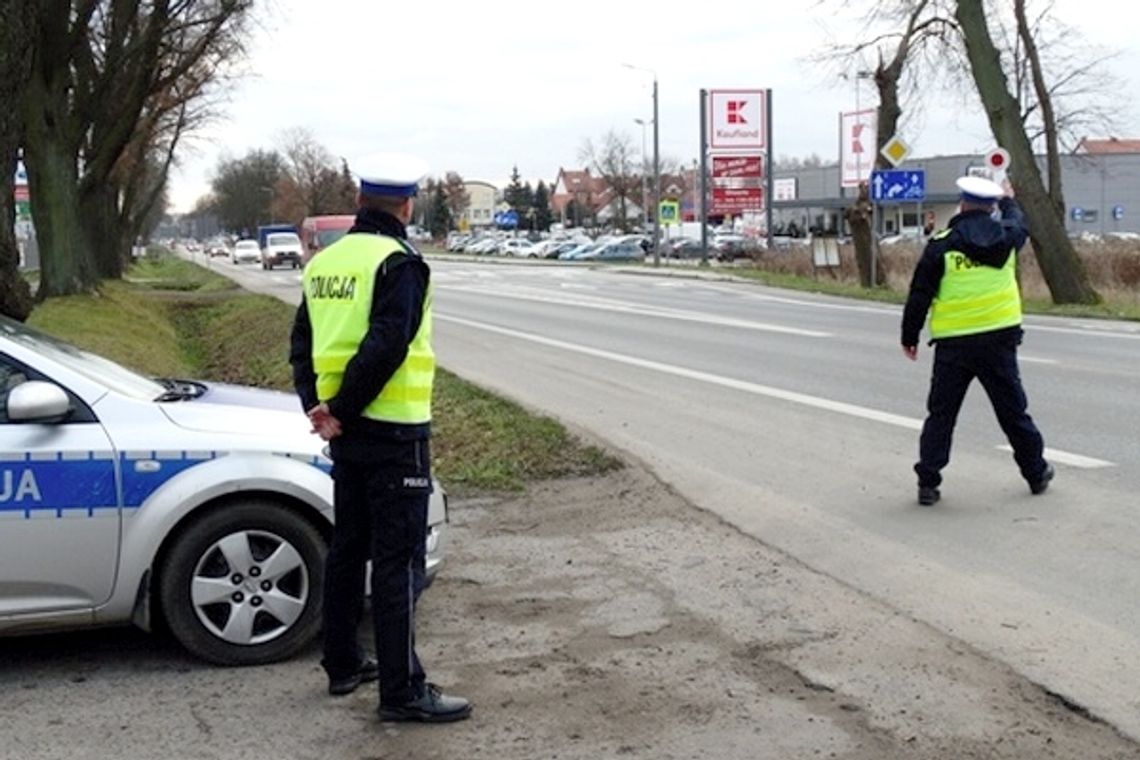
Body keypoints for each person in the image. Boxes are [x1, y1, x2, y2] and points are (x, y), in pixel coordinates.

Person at [289, 153, 472, 723]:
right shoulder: (401, 263)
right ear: (408, 206)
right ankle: (403, 690)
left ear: (360, 204)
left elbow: (302, 345)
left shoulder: (325, 264)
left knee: (349, 549)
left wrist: (321, 412)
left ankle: (343, 662)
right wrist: (341, 407)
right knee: (399, 562)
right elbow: (389, 346)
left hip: (346, 435)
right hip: (395, 434)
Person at [900, 175, 1054, 506]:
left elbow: (920, 294)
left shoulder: (941, 244)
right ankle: (1036, 473)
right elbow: (1019, 222)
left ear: (962, 203)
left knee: (941, 415)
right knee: (1013, 412)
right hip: (999, 342)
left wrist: (909, 336)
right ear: (991, 206)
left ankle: (928, 483)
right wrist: (1010, 199)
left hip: (954, 345)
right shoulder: (1008, 237)